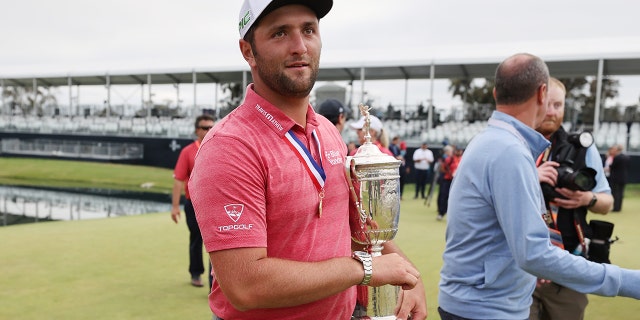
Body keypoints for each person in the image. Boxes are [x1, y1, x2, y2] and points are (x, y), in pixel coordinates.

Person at [188, 1, 427, 319]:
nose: (299, 46)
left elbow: (356, 228)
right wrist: (365, 268)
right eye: (280, 33)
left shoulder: (327, 131)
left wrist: (409, 274)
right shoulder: (230, 147)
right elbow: (245, 286)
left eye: (309, 30)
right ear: (248, 51)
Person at [438, 53, 640, 320]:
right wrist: (628, 281)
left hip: (478, 302)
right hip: (487, 308)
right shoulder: (509, 150)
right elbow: (533, 255)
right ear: (542, 93)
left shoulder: (488, 141)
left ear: (496, 92)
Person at [529, 77, 614, 320]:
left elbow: (607, 203)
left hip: (570, 264)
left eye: (559, 105)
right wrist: (530, 178)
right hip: (521, 269)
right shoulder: (515, 145)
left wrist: (587, 198)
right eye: (547, 104)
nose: (552, 112)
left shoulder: (582, 148)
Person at [171, 114, 215, 288]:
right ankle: (196, 273)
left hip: (216, 204)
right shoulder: (187, 152)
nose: (209, 130)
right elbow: (178, 179)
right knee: (196, 239)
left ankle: (215, 282)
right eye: (205, 128)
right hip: (194, 204)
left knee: (217, 243)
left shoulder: (220, 147)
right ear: (197, 131)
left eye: (212, 127)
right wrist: (175, 206)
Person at [436, 145, 461, 221]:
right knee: (444, 196)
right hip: (447, 180)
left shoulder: (462, 159)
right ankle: (441, 213)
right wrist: (449, 173)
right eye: (457, 151)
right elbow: (442, 168)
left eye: (460, 151)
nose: (459, 152)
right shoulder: (449, 159)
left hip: (457, 181)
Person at [608, 143, 630, 212]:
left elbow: (612, 166)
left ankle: (616, 208)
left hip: (616, 178)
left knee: (615, 193)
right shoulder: (627, 157)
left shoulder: (617, 157)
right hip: (623, 178)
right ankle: (619, 207)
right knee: (621, 193)